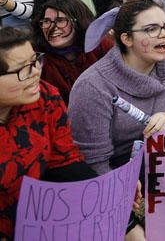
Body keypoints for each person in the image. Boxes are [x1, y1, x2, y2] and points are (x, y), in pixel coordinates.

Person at [68, 0, 165, 174]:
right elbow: (94, 162)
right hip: (114, 175)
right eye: (151, 29)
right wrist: (125, 192)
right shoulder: (92, 87)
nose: (164, 34)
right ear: (127, 39)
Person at [0, 27, 97, 240]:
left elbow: (64, 161)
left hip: (42, 219)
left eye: (35, 61)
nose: (36, 72)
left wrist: (102, 191)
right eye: (23, 69)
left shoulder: (44, 96)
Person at [33, 0, 114, 104]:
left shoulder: (101, 46)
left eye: (60, 20)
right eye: (46, 21)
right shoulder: (36, 58)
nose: (52, 28)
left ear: (78, 21)